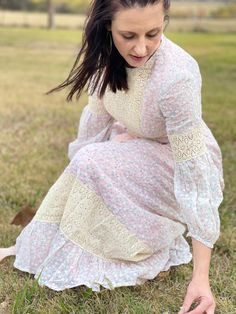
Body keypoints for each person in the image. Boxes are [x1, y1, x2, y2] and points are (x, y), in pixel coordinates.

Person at [0, 0, 225, 313]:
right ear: (108, 27)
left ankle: (156, 233)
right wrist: (77, 187)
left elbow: (195, 175)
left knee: (94, 160)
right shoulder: (105, 60)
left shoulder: (178, 76)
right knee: (91, 157)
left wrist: (201, 278)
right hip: (140, 141)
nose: (142, 48)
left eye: (153, 33)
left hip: (176, 162)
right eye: (129, 35)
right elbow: (90, 136)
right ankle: (35, 244)